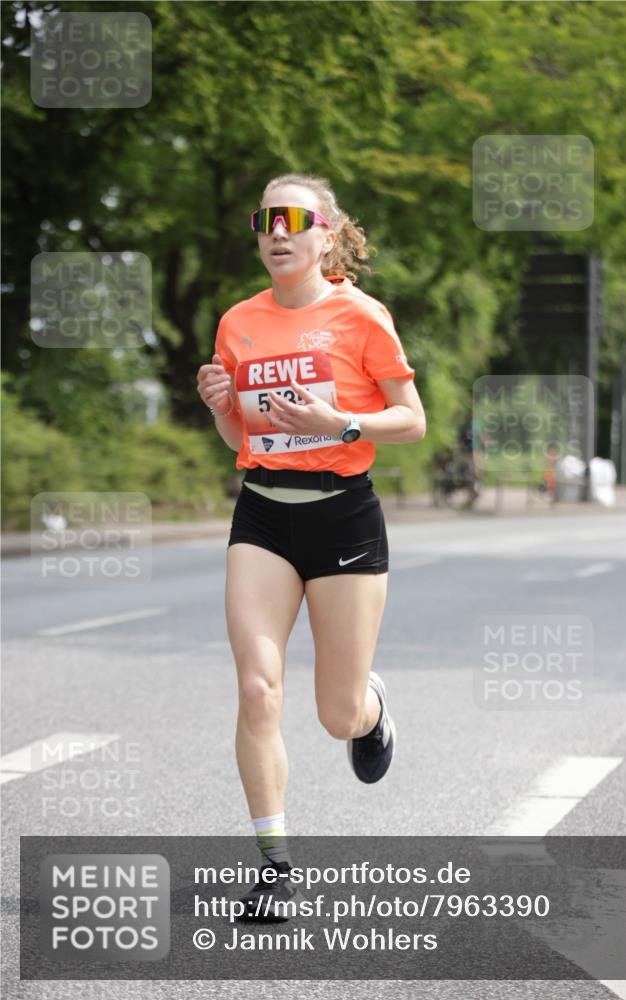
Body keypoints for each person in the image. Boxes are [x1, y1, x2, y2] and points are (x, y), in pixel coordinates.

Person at [196, 173, 426, 919]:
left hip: (342, 517)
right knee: (258, 687)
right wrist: (222, 408)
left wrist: (340, 424)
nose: (276, 229)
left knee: (334, 714)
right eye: (265, 217)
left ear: (326, 234)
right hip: (262, 512)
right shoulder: (238, 322)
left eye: (294, 217)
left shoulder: (361, 317)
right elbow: (243, 438)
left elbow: (411, 420)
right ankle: (274, 866)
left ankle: (371, 706)